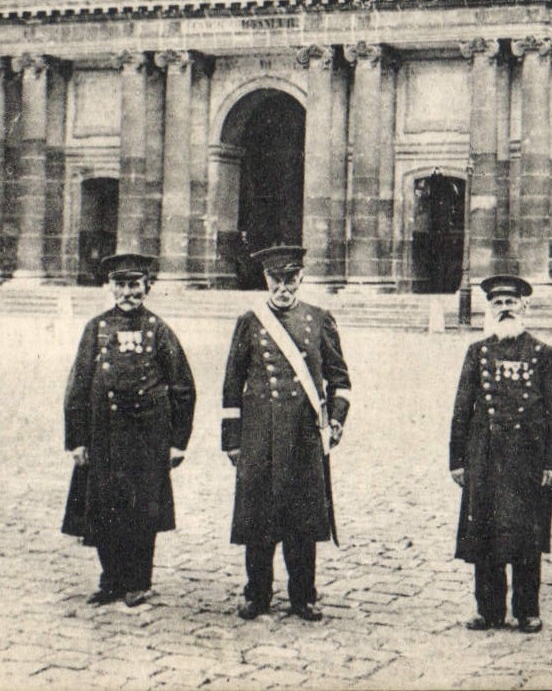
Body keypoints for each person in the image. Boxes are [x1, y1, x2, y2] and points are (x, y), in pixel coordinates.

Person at [221, 244, 351, 621]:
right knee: (258, 518)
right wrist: (232, 438)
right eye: (276, 280)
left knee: (303, 519)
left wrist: (337, 420)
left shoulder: (319, 319)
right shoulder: (249, 321)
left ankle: (303, 595)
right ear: (266, 280)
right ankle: (257, 593)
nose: (283, 287)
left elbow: (340, 381)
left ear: (301, 279)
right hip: (260, 434)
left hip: (303, 434)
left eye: (290, 279)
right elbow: (232, 384)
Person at [62, 252, 196, 608]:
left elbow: (183, 387)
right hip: (103, 435)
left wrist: (177, 443)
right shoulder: (95, 328)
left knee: (142, 511)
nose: (127, 292)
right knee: (103, 508)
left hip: (146, 438)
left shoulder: (159, 329)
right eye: (120, 285)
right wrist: (76, 439)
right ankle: (111, 580)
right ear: (109, 287)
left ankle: (139, 580)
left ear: (146, 287)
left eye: (134, 285)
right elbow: (78, 385)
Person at [449, 273, 552, 634]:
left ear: (524, 306)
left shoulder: (543, 354)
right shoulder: (478, 352)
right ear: (489, 309)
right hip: (484, 458)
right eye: (497, 303)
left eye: (511, 302)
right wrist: (457, 460)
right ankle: (487, 610)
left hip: (527, 461)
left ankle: (526, 609)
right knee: (484, 534)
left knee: (526, 538)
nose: (505, 309)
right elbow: (462, 410)